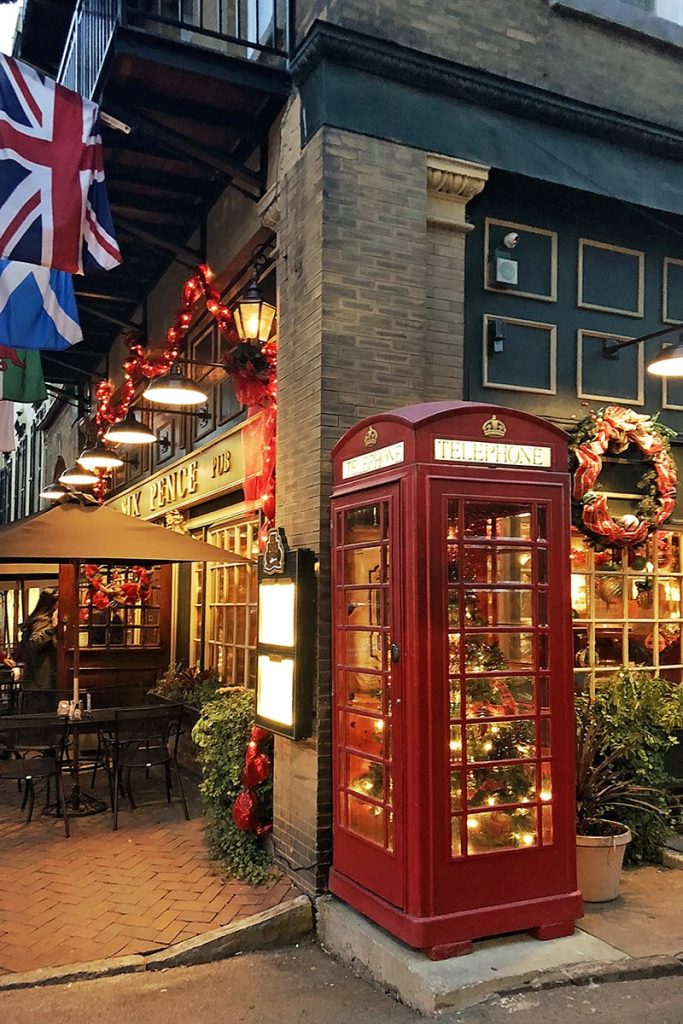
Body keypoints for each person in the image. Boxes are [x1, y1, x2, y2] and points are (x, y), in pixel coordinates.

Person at [20, 589, 58, 690]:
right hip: (40, 675)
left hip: (40, 675)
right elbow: (34, 642)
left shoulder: (38, 619)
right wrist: (52, 628)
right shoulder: (41, 621)